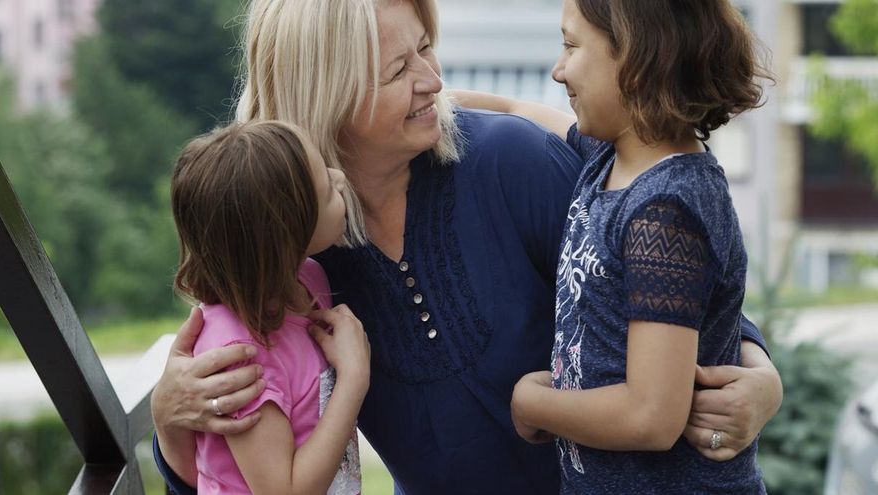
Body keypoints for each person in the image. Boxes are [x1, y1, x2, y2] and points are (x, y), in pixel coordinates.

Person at [150, 1, 783, 494]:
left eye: (426, 48)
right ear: (326, 97)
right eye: (399, 70)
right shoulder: (291, 252)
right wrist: (171, 422)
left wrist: (760, 376)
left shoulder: (514, 164)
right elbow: (224, 467)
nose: (433, 80)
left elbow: (667, 284)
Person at [458, 0, 771, 493]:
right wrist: (430, 102)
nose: (558, 70)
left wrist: (529, 401)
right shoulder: (612, 158)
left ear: (637, 61)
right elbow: (518, 111)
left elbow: (651, 416)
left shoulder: (665, 210)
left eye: (571, 45)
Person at [169, 120, 369, 494]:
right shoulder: (238, 354)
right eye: (326, 191)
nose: (340, 178)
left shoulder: (309, 279)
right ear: (286, 233)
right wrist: (354, 378)